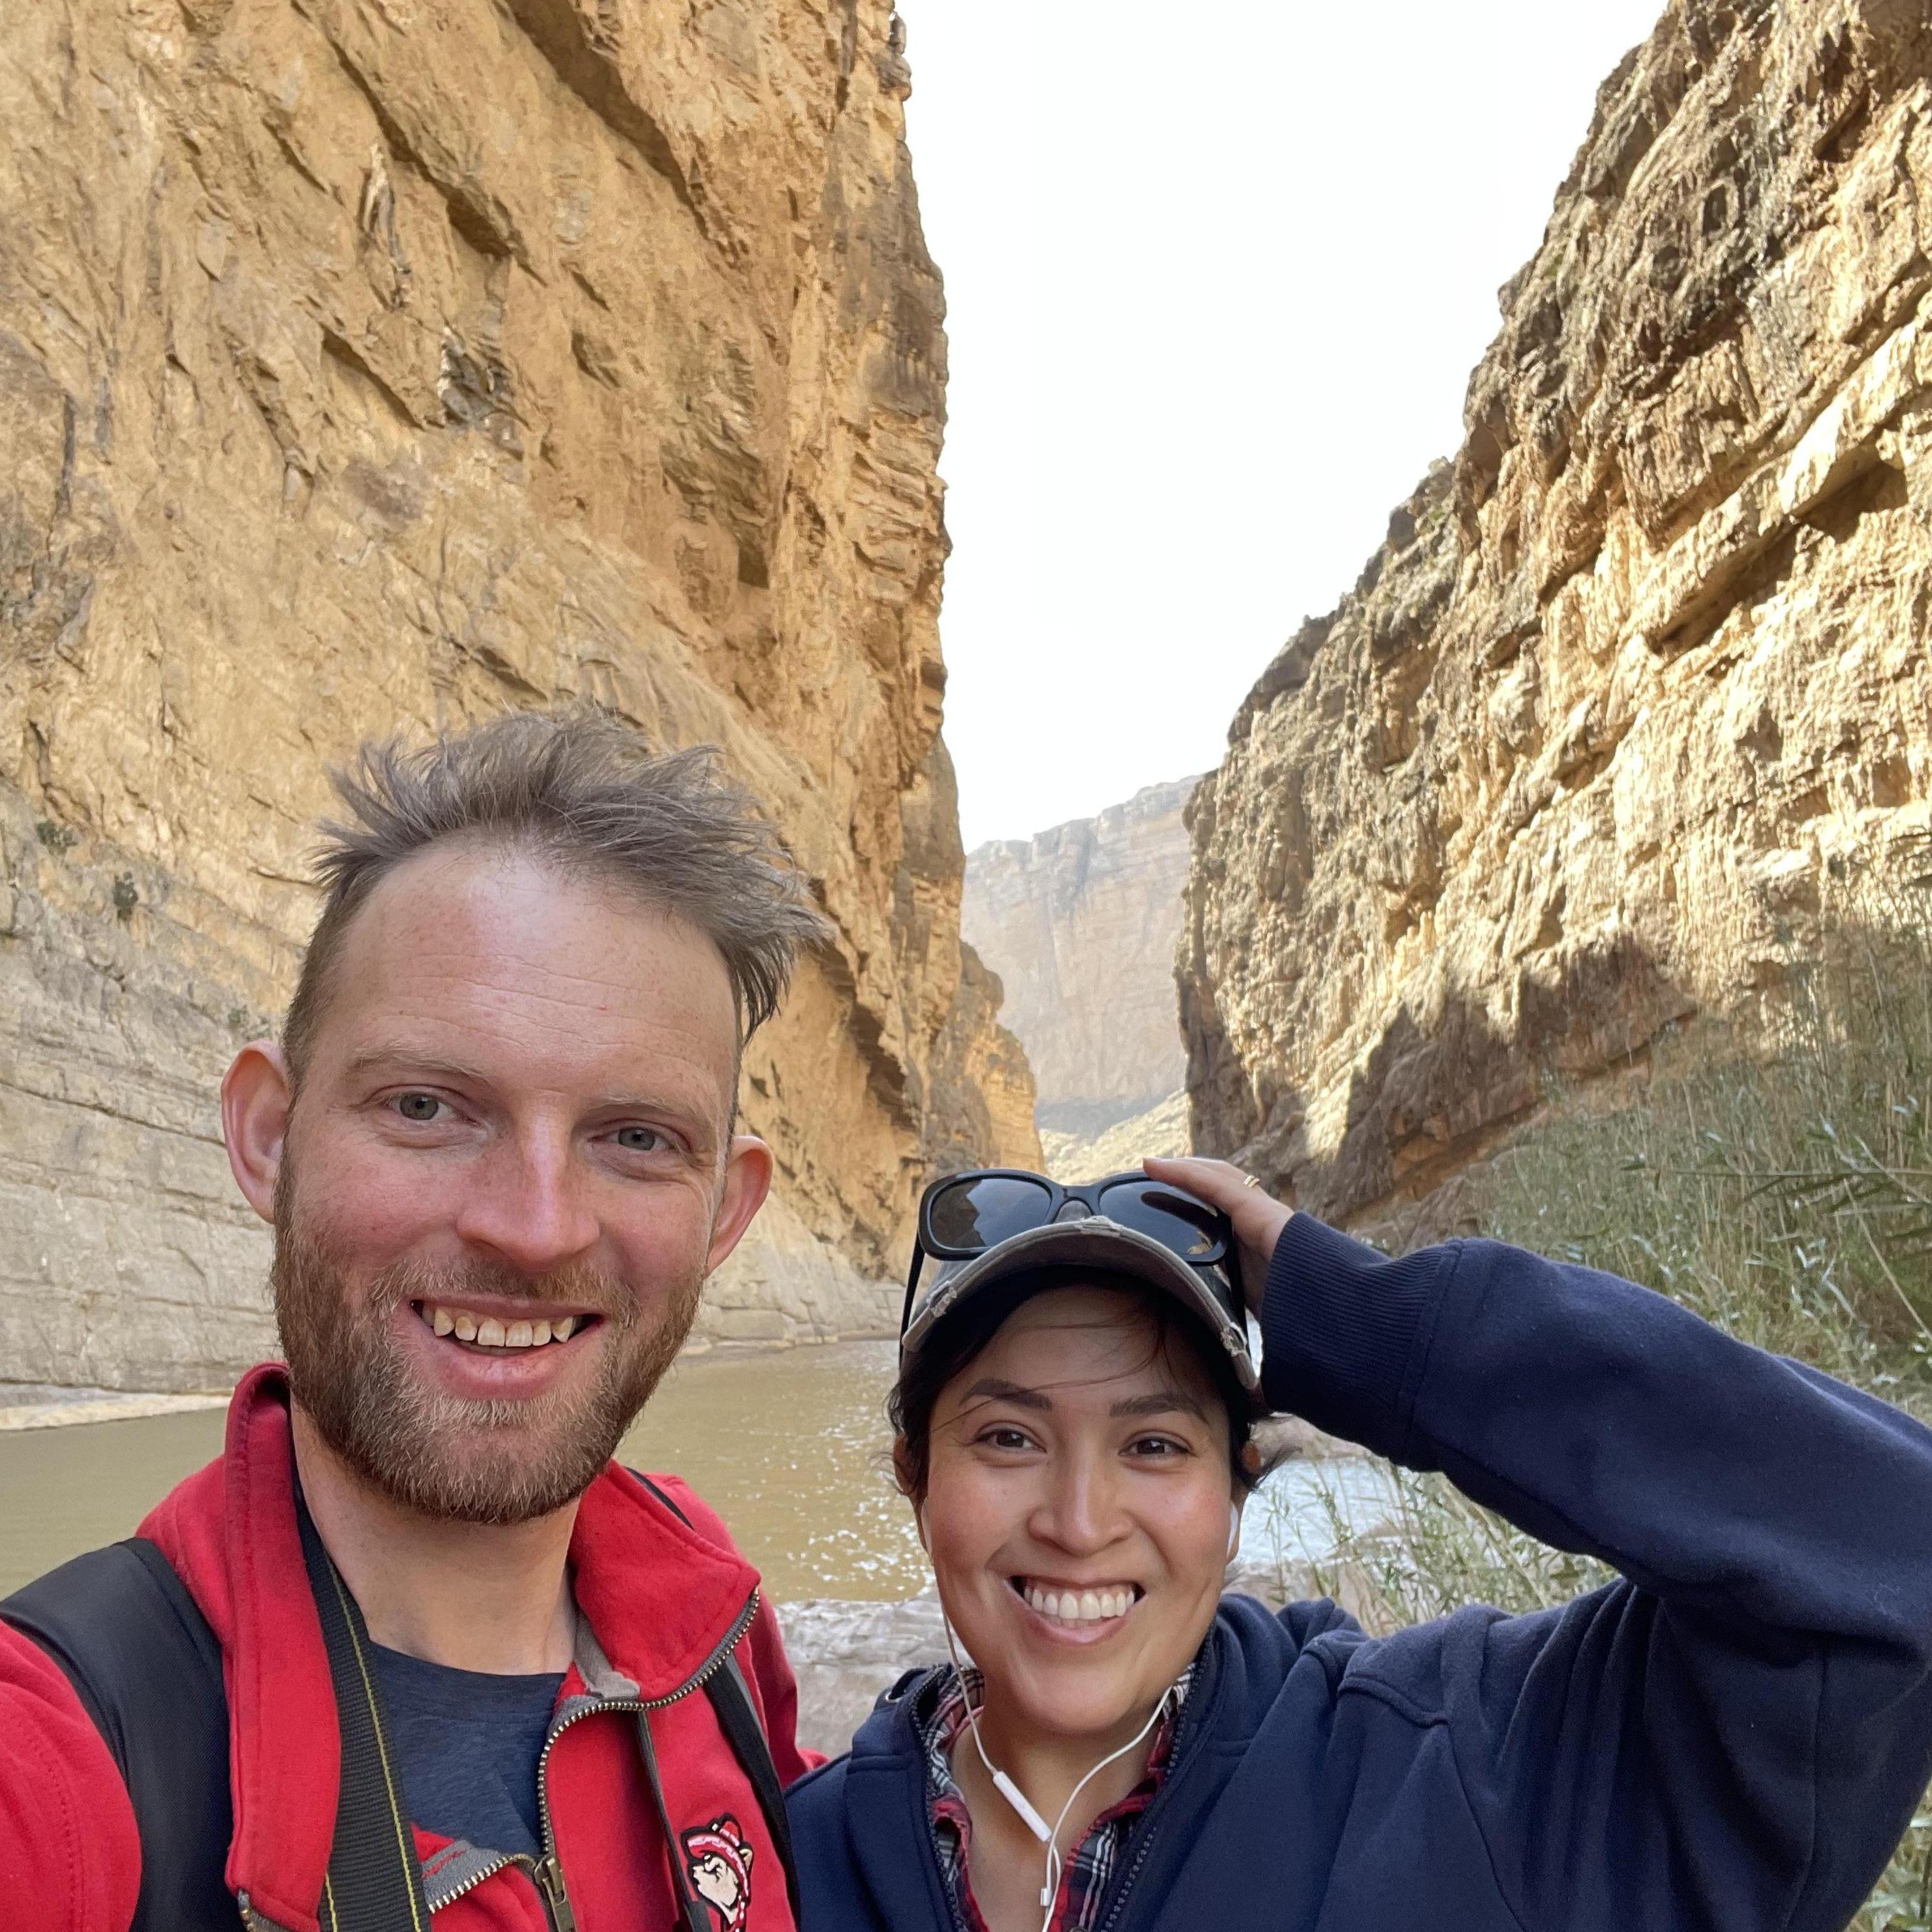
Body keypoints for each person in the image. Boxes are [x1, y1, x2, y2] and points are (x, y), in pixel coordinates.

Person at [0, 709, 833, 1932]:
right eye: (430, 1105)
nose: (537, 1226)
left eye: (636, 1138)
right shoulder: (66, 1748)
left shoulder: (715, 1632)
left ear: (724, 1209)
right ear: (268, 1138)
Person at [787, 1155, 1932, 1932]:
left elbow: (1883, 1543)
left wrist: (1374, 1327)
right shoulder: (782, 1860)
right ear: (914, 1476)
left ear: (1237, 1492)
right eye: (1006, 1435)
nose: (1080, 1522)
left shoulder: (1470, 1771)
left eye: (1152, 1444)